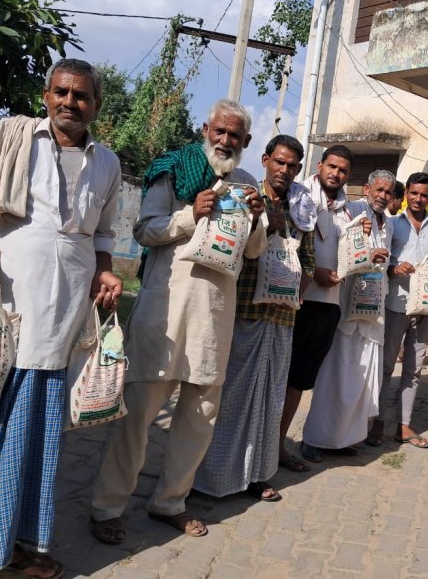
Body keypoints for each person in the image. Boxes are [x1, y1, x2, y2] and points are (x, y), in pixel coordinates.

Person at [0, 59, 122, 578]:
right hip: (2, 307)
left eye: (82, 96)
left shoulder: (107, 162)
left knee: (40, 438)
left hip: (64, 318)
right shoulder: (9, 137)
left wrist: (108, 271)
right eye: (61, 93)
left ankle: (22, 544)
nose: (70, 103)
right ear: (46, 96)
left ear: (96, 104)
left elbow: (105, 234)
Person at [90, 99, 266, 544]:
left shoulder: (246, 184)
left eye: (235, 136)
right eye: (219, 132)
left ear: (246, 142)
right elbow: (145, 229)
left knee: (200, 415)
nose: (225, 141)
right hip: (164, 312)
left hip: (214, 317)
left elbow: (253, 252)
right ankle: (108, 507)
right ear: (206, 129)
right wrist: (192, 213)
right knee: (139, 416)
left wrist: (259, 218)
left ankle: (170, 503)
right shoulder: (175, 168)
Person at [194, 135, 316, 501]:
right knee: (232, 397)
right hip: (244, 311)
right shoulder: (245, 196)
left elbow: (307, 261)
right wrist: (265, 225)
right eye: (279, 162)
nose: (285, 171)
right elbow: (228, 246)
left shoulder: (301, 210)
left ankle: (258, 474)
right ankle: (214, 478)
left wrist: (294, 285)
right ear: (265, 160)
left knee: (270, 399)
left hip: (283, 319)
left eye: (293, 166)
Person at [301, 171, 394, 460]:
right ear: (366, 189)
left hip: (372, 308)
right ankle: (315, 438)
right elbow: (341, 246)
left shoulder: (388, 224)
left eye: (388, 192)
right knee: (334, 374)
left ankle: (346, 439)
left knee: (362, 377)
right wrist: (362, 239)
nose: (382, 196)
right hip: (346, 306)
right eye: (378, 189)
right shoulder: (352, 211)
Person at [278, 145, 360, 471]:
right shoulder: (299, 195)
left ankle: (279, 445)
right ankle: (258, 443)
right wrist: (314, 274)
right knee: (276, 375)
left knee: (299, 380)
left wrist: (363, 241)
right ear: (319, 165)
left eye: (342, 171)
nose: (336, 174)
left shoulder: (349, 211)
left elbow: (353, 254)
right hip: (293, 300)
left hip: (328, 306)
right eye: (332, 167)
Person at [368, 172, 428, 449]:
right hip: (396, 304)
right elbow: (379, 262)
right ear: (406, 193)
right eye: (413, 193)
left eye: (424, 194)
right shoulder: (391, 225)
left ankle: (403, 426)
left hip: (424, 308)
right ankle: (376, 421)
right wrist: (393, 269)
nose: (418, 199)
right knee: (387, 366)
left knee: (414, 369)